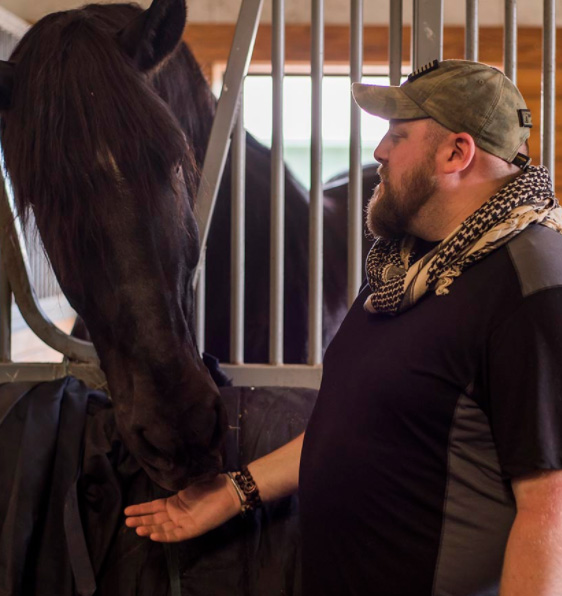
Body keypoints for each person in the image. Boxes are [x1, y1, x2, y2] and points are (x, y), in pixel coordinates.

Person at [125, 60, 562, 595]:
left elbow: (550, 511)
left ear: (457, 153)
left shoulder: (534, 287)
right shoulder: (406, 264)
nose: (379, 151)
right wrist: (235, 491)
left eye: (397, 136)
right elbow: (360, 423)